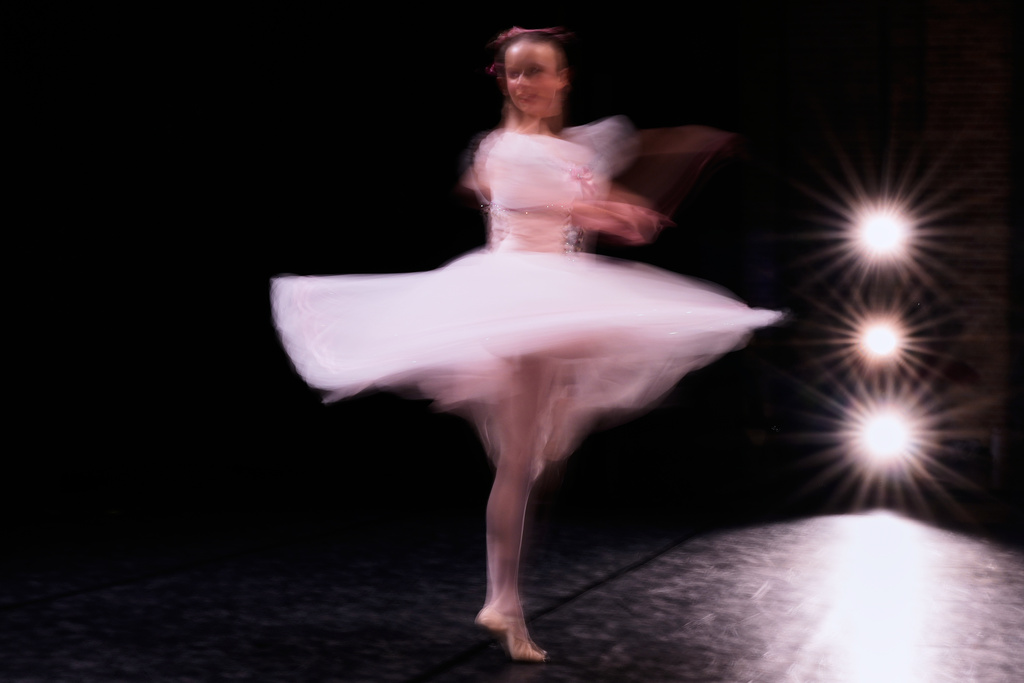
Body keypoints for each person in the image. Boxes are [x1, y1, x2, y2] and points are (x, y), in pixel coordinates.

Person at [271, 27, 783, 662]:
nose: (526, 83)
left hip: (556, 298)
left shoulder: (572, 150)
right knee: (522, 461)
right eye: (516, 73)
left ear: (563, 78)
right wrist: (609, 211)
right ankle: (503, 600)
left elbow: (590, 195)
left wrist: (629, 201)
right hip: (518, 298)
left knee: (533, 459)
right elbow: (545, 196)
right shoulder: (505, 148)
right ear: (503, 81)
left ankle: (506, 600)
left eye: (538, 71)